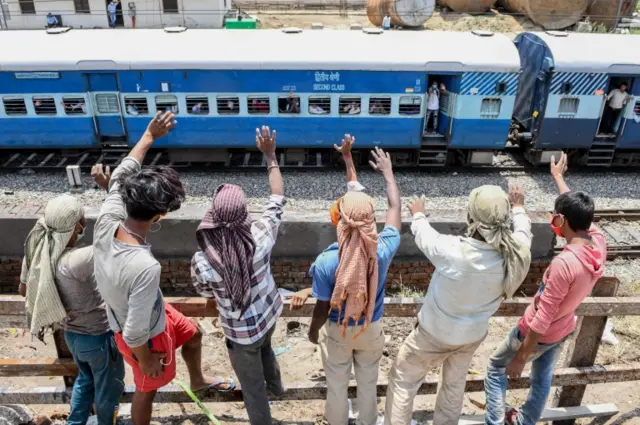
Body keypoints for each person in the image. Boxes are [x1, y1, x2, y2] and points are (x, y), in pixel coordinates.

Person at [92, 112, 232, 425]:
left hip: (148, 311)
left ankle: (197, 379)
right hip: (141, 335)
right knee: (147, 389)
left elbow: (124, 171)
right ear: (159, 214)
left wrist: (149, 137)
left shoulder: (108, 218)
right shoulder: (144, 266)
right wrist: (145, 360)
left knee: (193, 334)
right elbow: (134, 331)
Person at [384, 183, 532, 425]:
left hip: (432, 335)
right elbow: (524, 232)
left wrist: (418, 213)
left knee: (403, 380)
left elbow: (423, 235)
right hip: (470, 337)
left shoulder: (454, 250)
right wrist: (518, 208)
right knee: (453, 387)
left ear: (470, 216)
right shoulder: (514, 254)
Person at [484, 152, 607, 425]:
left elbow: (543, 315)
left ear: (561, 221)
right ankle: (523, 421)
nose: (553, 220)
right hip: (563, 328)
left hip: (537, 332)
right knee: (542, 380)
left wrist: (521, 356)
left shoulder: (564, 264)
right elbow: (578, 212)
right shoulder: (597, 243)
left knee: (495, 368)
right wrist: (559, 179)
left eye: (555, 217)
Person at [191, 126, 285, 425]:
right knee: (267, 347)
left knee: (251, 386)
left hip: (240, 334)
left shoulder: (203, 259)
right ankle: (278, 387)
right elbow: (277, 198)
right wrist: (270, 156)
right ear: (245, 214)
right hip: (269, 316)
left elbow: (205, 293)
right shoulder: (261, 235)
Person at [308, 138, 402, 425]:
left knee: (336, 384)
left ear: (339, 222)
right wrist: (388, 174)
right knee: (368, 381)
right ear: (371, 221)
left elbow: (322, 307)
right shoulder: (382, 250)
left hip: (338, 329)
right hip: (370, 327)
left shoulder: (327, 262)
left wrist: (314, 332)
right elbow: (395, 208)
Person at [19, 193, 125, 425]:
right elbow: (118, 238)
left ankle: (75, 423)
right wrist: (112, 192)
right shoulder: (79, 259)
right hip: (98, 338)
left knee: (85, 381)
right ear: (77, 226)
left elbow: (23, 290)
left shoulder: (37, 254)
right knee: (109, 391)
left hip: (72, 337)